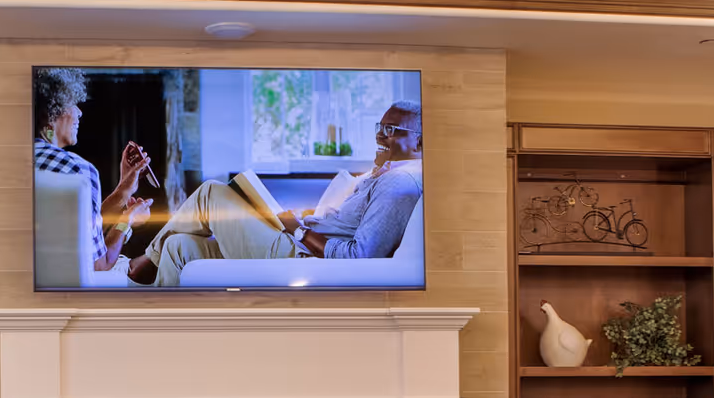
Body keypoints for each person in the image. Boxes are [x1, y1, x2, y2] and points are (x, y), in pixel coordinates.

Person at [132, 101, 423, 287]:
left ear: (420, 143)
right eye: (379, 127)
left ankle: (146, 261)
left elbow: (360, 256)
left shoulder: (399, 184)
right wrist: (301, 219)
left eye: (392, 129)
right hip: (295, 242)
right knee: (179, 246)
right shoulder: (381, 175)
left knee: (210, 192)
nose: (379, 136)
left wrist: (298, 231)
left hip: (301, 254)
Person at [32, 67, 154, 275]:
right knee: (166, 250)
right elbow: (101, 264)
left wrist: (124, 190)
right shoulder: (78, 169)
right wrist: (127, 221)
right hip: (75, 282)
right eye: (72, 103)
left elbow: (83, 223)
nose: (80, 112)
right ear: (51, 112)